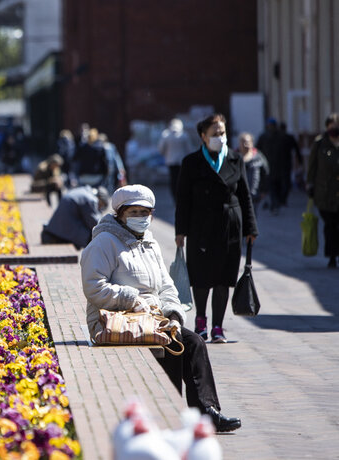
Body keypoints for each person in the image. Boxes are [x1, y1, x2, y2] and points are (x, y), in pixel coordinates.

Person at [80, 184, 241, 433]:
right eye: (134, 212)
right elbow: (93, 287)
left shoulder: (150, 243)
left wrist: (174, 314)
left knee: (193, 342)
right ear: (120, 214)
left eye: (145, 213)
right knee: (167, 347)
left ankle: (206, 412)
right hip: (114, 318)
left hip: (152, 317)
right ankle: (171, 414)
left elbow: (166, 286)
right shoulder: (104, 242)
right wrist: (131, 299)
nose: (141, 218)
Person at [175, 114, 257, 343]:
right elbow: (183, 199)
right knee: (201, 278)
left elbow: (245, 195)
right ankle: (201, 321)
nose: (220, 138)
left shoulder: (234, 159)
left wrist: (251, 228)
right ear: (203, 136)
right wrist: (180, 231)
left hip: (229, 227)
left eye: (222, 133)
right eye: (215, 134)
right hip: (200, 227)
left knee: (224, 278)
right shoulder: (191, 162)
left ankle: (218, 327)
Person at [306, 113, 339, 268]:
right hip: (324, 193)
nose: (334, 128)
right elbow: (312, 167)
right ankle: (332, 256)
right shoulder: (320, 144)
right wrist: (310, 185)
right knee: (330, 225)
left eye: (336, 125)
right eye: (331, 125)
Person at [41, 186, 109, 249]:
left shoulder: (83, 191)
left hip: (56, 229)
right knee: (95, 236)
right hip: (63, 232)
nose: (99, 208)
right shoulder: (90, 199)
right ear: (99, 198)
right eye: (101, 205)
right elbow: (95, 224)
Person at [158, 119, 194, 203]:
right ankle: (182, 197)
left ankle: (175, 198)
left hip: (171, 162)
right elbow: (189, 149)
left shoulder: (166, 135)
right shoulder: (184, 135)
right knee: (182, 180)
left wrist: (167, 155)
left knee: (173, 180)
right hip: (182, 162)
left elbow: (160, 149)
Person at [256, 117, 286, 214]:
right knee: (272, 186)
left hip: (278, 166)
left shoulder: (280, 136)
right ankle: (275, 203)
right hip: (268, 166)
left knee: (278, 186)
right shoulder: (264, 137)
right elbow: (257, 150)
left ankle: (276, 203)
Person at [237, 132, 269, 214]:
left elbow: (265, 174)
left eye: (248, 142)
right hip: (238, 196)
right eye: (243, 142)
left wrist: (264, 190)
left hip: (254, 195)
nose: (246, 144)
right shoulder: (234, 158)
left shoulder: (258, 157)